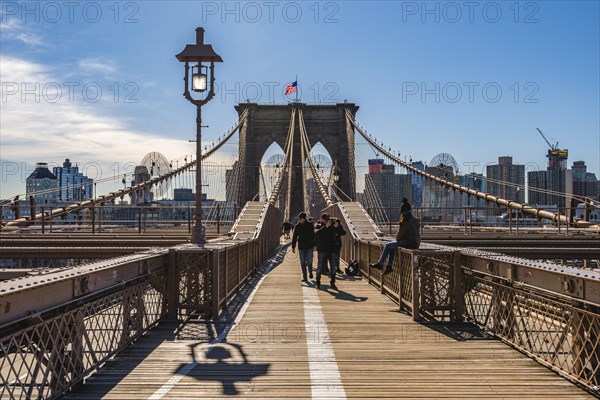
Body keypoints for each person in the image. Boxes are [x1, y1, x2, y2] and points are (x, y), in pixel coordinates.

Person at [370, 210, 421, 275]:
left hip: (408, 243)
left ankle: (380, 263)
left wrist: (397, 237)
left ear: (404, 217)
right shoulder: (415, 222)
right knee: (392, 247)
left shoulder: (406, 223)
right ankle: (389, 266)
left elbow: (399, 237)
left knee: (388, 245)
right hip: (416, 243)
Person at [314, 213, 338, 290]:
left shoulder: (332, 226)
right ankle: (318, 282)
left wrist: (338, 226)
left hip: (331, 249)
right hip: (322, 249)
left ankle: (333, 283)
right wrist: (325, 227)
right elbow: (317, 233)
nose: (328, 221)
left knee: (333, 268)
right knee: (320, 267)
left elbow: (342, 233)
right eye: (326, 220)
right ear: (322, 220)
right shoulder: (318, 225)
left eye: (328, 219)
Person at [291, 212, 315, 282]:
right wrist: (293, 246)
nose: (299, 220)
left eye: (300, 218)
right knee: (302, 262)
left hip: (309, 246)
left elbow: (313, 235)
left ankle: (310, 272)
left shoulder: (310, 225)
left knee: (310, 261)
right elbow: (294, 237)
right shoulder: (297, 226)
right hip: (301, 247)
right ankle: (305, 277)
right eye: (299, 218)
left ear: (304, 219)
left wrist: (315, 245)